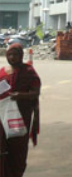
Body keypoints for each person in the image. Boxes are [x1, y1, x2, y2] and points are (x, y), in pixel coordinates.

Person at [1, 44, 41, 177]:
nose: (12, 58)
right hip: (2, 116)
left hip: (21, 116)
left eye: (15, 55)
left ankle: (16, 173)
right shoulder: (2, 71)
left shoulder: (28, 71)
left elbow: (36, 92)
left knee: (18, 148)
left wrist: (20, 96)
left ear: (21, 56)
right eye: (10, 55)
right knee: (2, 147)